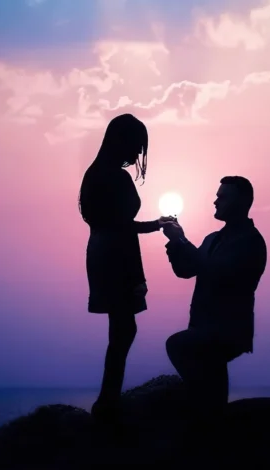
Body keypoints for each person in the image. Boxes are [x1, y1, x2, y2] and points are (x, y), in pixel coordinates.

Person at [78, 113, 175, 420]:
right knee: (124, 329)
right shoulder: (115, 177)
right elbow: (121, 228)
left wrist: (155, 224)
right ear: (121, 142)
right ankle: (107, 403)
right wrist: (137, 275)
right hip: (116, 255)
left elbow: (113, 224)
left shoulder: (94, 174)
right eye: (136, 146)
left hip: (101, 251)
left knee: (121, 329)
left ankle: (108, 399)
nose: (138, 154)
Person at [161, 176, 267, 427]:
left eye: (223, 197)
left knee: (177, 345)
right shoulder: (212, 239)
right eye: (217, 196)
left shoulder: (251, 241)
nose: (215, 201)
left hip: (228, 330)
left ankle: (206, 413)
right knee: (213, 377)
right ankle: (214, 424)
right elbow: (186, 269)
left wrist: (182, 240)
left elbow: (214, 270)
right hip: (203, 326)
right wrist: (175, 243)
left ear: (241, 202)